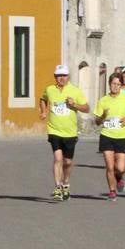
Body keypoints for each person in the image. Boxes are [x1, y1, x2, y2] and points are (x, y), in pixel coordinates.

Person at [40, 64, 90, 201]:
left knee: (67, 162)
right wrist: (43, 111)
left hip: (70, 133)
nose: (61, 78)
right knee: (58, 159)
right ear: (55, 77)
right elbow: (43, 99)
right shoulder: (50, 89)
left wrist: (75, 105)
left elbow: (87, 108)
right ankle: (57, 187)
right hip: (54, 130)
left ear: (68, 77)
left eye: (64, 75)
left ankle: (66, 183)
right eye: (58, 76)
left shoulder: (75, 91)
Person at [94, 72, 125, 200]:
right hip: (107, 135)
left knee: (120, 168)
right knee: (110, 166)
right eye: (113, 84)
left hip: (122, 136)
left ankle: (119, 177)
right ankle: (112, 191)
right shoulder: (103, 100)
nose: (116, 86)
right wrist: (103, 116)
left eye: (118, 84)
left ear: (121, 85)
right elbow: (97, 121)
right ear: (109, 84)